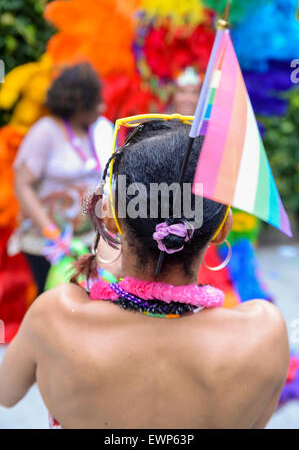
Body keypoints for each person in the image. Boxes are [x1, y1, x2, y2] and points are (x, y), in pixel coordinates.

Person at [0, 119, 289, 429]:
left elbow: (7, 392)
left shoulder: (55, 315)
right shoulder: (264, 332)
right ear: (223, 228)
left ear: (110, 221)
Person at [9, 62, 117, 294]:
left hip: (90, 239)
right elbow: (22, 184)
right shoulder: (45, 132)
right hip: (47, 245)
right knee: (52, 300)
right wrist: (50, 231)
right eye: (95, 101)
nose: (102, 106)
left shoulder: (102, 129)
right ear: (76, 103)